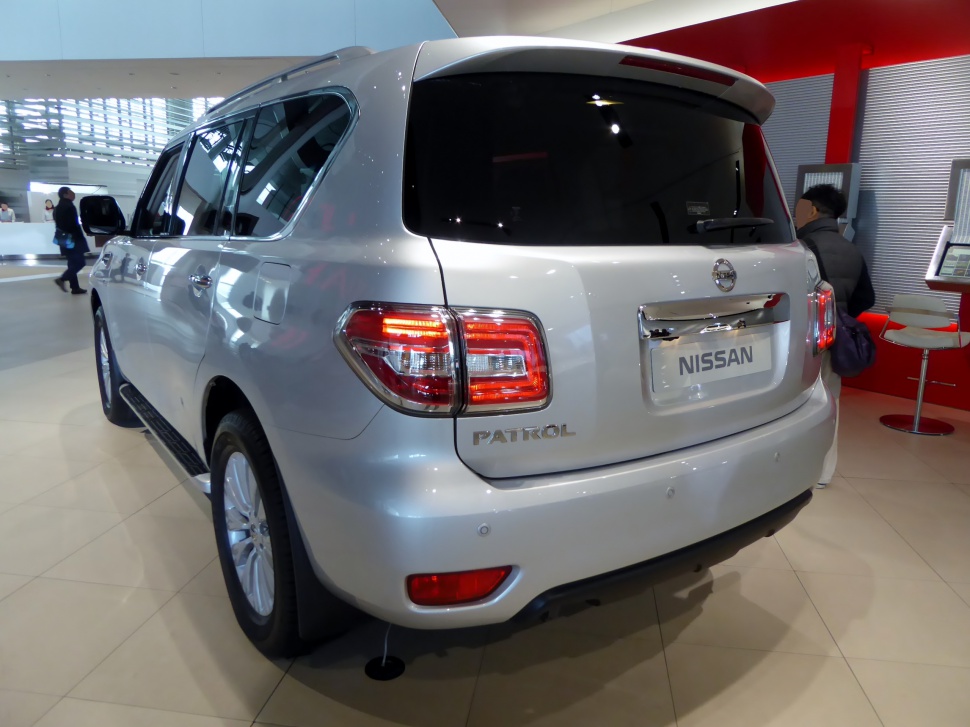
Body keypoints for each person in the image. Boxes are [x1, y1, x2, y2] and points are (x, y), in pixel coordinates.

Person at [795, 183, 875, 489]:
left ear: (812, 210)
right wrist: (839, 317)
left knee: (794, 405)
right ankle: (824, 474)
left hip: (801, 338)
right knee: (830, 403)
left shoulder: (800, 247)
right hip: (833, 338)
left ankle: (794, 470)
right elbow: (866, 297)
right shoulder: (852, 248)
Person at [52, 186, 90, 295]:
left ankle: (75, 287)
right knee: (80, 262)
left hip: (63, 239)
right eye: (71, 192)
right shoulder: (69, 206)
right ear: (65, 194)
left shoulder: (57, 207)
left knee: (72, 263)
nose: (73, 194)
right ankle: (62, 279)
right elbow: (72, 225)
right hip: (73, 240)